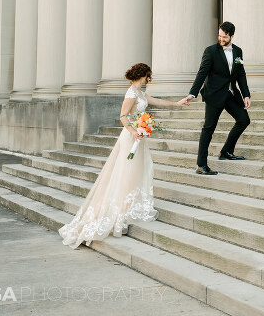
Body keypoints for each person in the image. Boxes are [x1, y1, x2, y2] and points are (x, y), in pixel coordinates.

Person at [59, 63, 190, 248]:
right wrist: (134, 131)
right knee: (126, 171)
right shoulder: (131, 93)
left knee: (138, 169)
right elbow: (123, 115)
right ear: (143, 75)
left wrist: (177, 103)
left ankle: (131, 204)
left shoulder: (140, 93)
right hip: (130, 137)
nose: (149, 79)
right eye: (148, 76)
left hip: (139, 136)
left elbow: (157, 101)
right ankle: (120, 208)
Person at [186, 21, 251, 175]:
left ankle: (226, 151)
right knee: (208, 129)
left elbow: (241, 74)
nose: (221, 39)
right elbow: (202, 73)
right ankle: (201, 165)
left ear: (232, 36)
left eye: (225, 37)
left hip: (230, 94)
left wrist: (246, 94)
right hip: (214, 95)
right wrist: (192, 93)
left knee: (244, 120)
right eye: (220, 36)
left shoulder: (238, 51)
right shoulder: (210, 51)